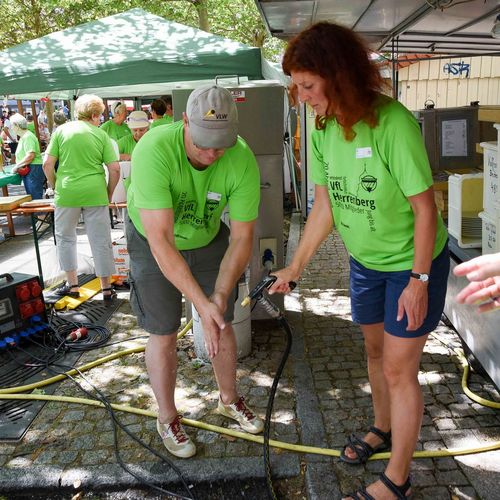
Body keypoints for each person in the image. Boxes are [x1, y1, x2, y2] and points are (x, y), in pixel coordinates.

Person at [269, 22, 449, 500]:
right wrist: (296, 266)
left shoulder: (391, 123)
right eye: (297, 86)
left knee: (398, 369)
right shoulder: (324, 126)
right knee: (374, 354)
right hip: (366, 263)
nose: (302, 96)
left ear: (339, 75)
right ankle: (382, 427)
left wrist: (419, 279)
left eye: (308, 85)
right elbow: (325, 205)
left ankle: (398, 479)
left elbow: (424, 208)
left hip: (411, 265)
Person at [126, 84, 263, 458]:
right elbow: (162, 241)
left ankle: (229, 399)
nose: (211, 154)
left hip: (206, 236)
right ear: (184, 121)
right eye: (203, 142)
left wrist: (217, 297)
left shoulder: (241, 158)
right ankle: (167, 416)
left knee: (221, 318)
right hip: (152, 237)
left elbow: (242, 238)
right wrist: (199, 302)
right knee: (164, 329)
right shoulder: (153, 149)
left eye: (221, 144)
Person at [43, 94, 120, 300]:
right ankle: (106, 288)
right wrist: (108, 193)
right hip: (95, 191)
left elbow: (47, 164)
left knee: (65, 238)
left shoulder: (61, 131)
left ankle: (72, 285)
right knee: (100, 239)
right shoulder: (100, 135)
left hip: (67, 192)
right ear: (95, 115)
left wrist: (55, 186)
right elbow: (114, 169)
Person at [10, 113, 46, 200]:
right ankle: (37, 213)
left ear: (17, 125)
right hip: (31, 169)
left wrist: (17, 166)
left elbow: (30, 155)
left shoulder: (27, 137)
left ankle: (40, 214)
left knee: (35, 198)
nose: (11, 128)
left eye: (12, 125)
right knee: (32, 196)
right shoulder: (25, 136)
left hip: (33, 169)